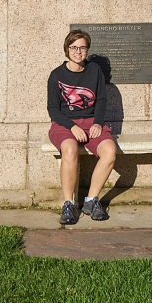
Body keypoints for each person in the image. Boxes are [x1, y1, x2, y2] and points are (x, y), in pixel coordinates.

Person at [47, 29, 117, 224]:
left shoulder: (95, 71)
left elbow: (101, 100)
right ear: (67, 49)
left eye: (82, 48)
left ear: (87, 50)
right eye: (74, 47)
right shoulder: (56, 75)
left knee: (110, 151)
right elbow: (53, 109)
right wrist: (72, 126)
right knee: (69, 149)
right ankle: (69, 204)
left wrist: (97, 122)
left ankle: (91, 200)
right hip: (64, 124)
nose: (78, 52)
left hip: (91, 123)